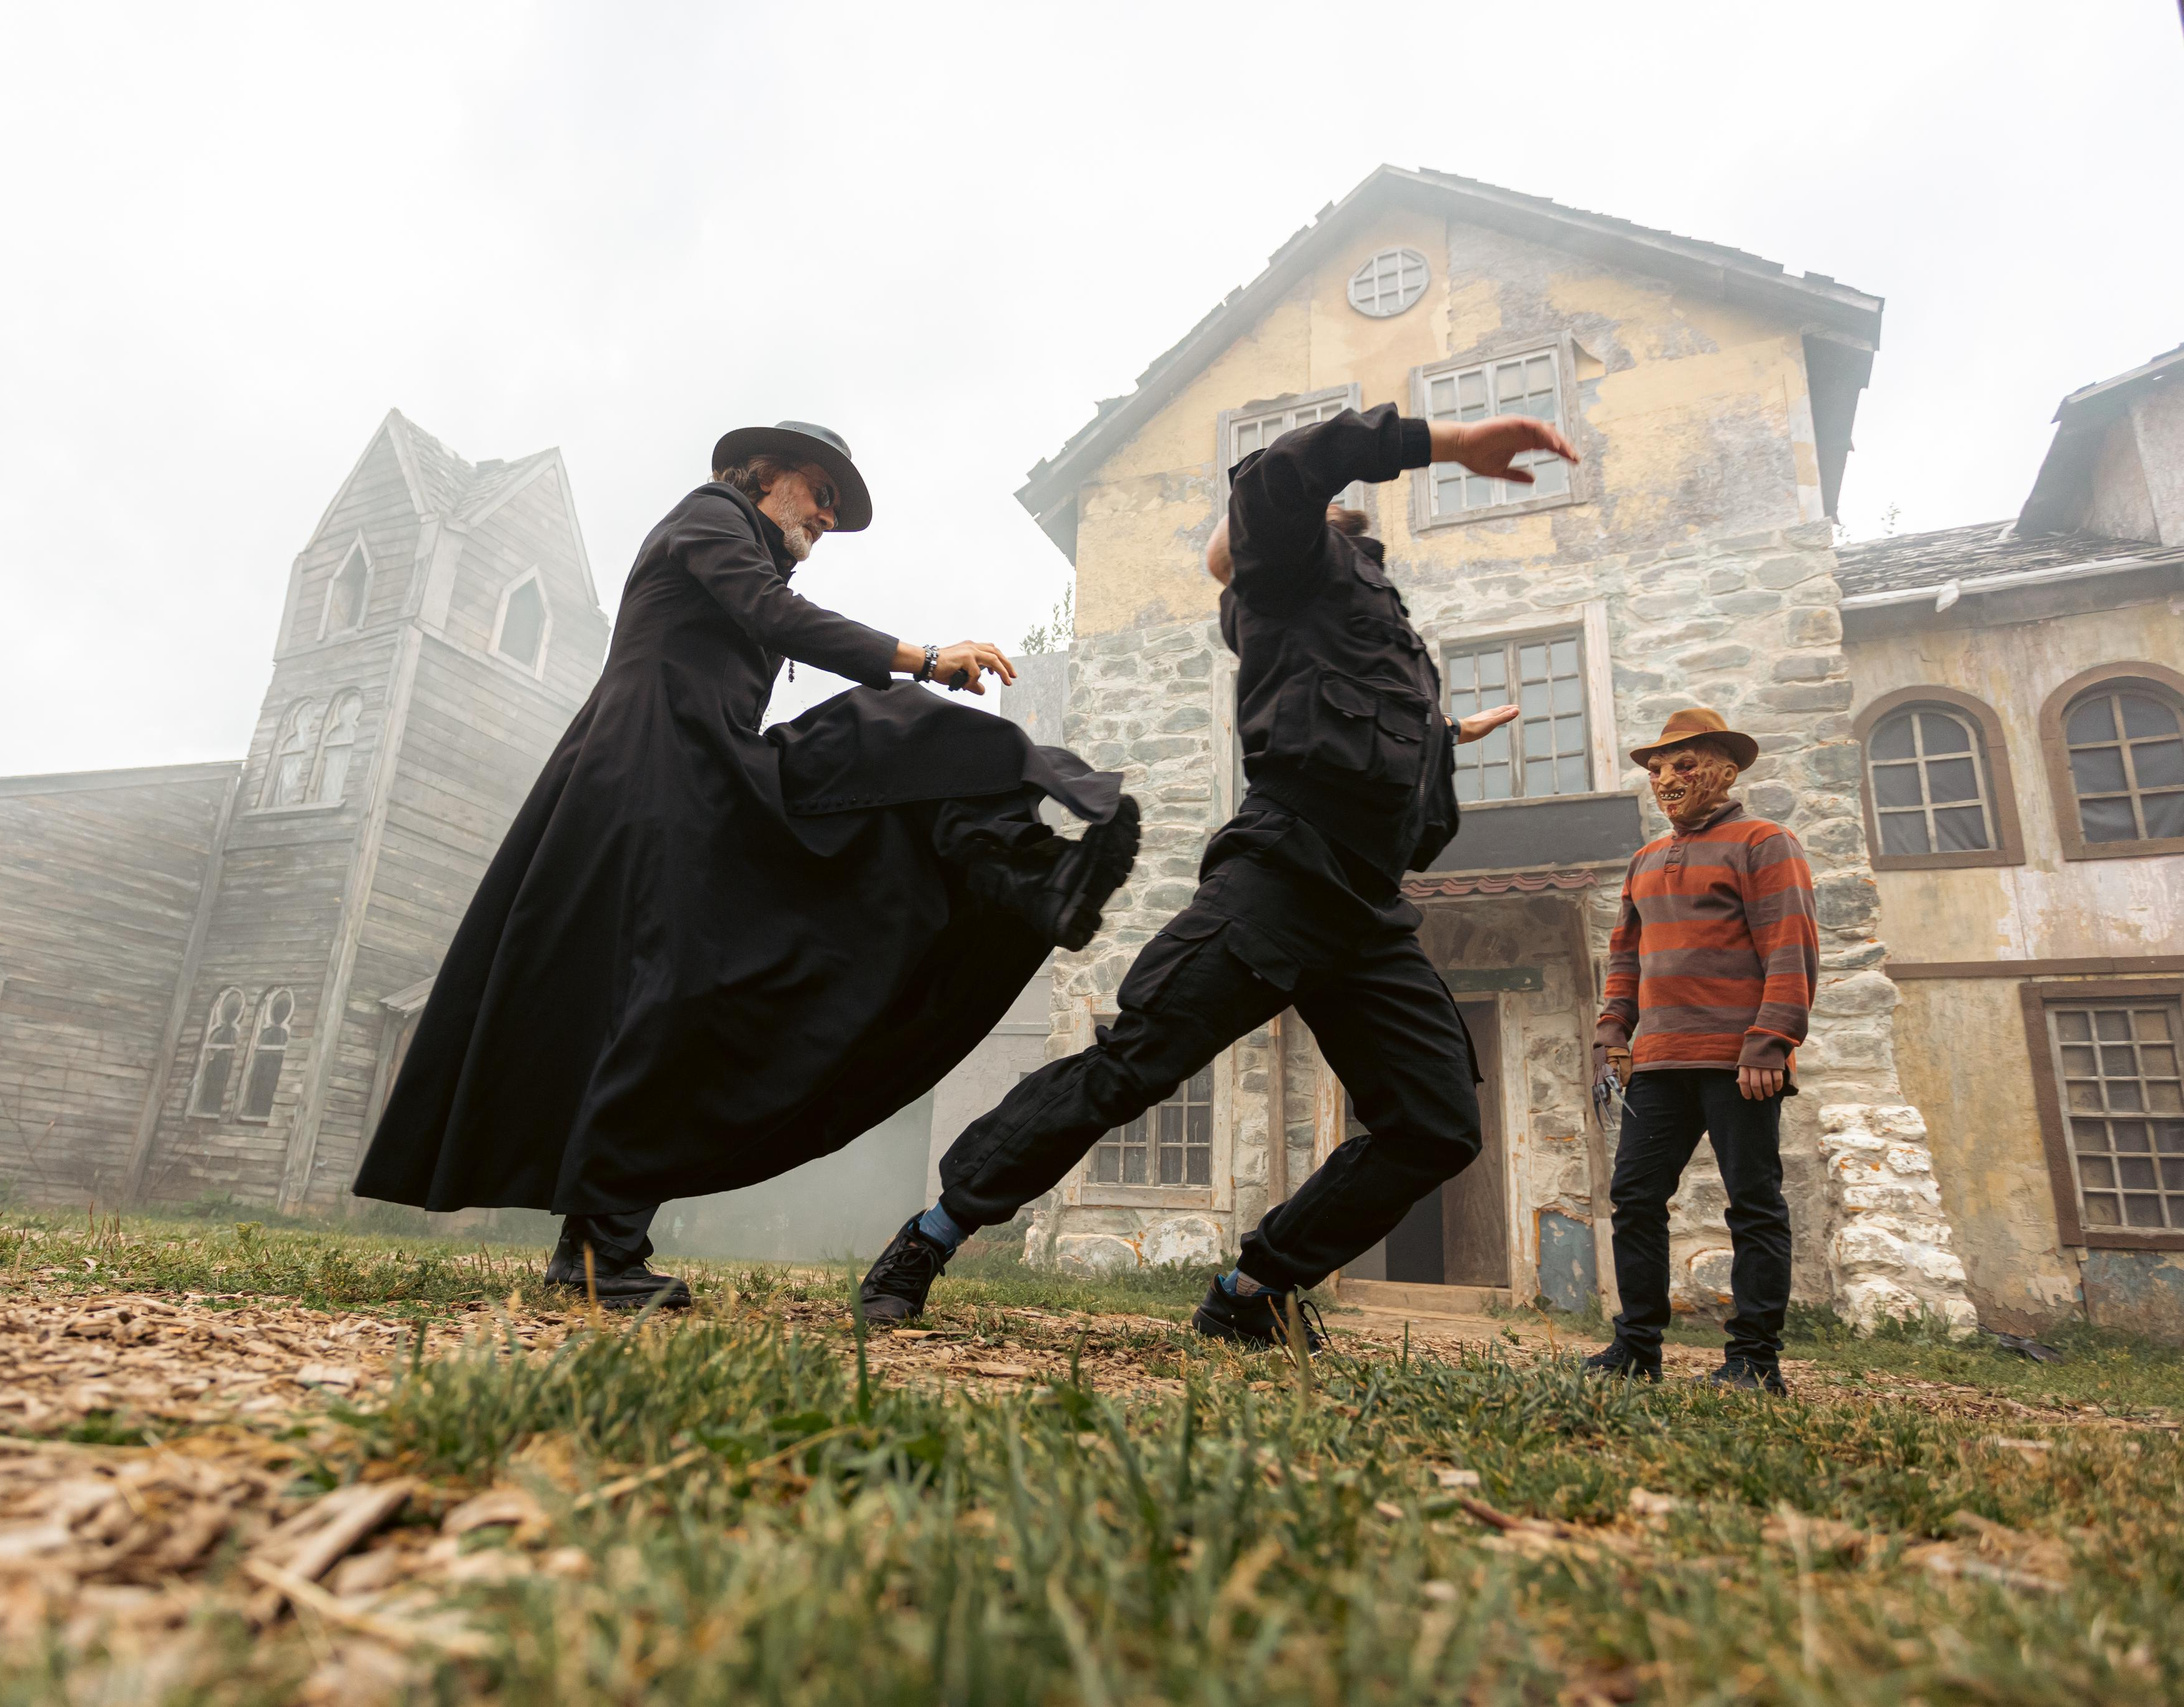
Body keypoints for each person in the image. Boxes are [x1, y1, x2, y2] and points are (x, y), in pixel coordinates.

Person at [353, 421, 1141, 1308]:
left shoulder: (751, 544)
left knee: (681, 974)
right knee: (666, 992)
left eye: (835, 507)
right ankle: (601, 1253)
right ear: (765, 474)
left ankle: (1007, 860)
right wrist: (920, 657)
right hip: (649, 771)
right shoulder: (710, 516)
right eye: (820, 492)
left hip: (711, 768)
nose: (826, 516)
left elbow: (771, 620)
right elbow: (773, 616)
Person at [856, 403, 1573, 1346]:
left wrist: (1445, 737)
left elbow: (1368, 732)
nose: (1222, 546)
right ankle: (930, 1235)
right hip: (1277, 882)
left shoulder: (1367, 610)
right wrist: (1443, 443)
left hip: (1364, 912)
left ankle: (1251, 1290)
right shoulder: (1287, 568)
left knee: (1436, 1122)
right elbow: (1278, 473)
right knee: (1134, 1064)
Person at [1585, 708, 1818, 1395]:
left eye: (1683, 765)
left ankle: (1754, 1359)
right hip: (1657, 1060)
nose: (1667, 780)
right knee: (1634, 1195)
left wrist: (1770, 1040)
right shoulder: (1645, 860)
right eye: (1657, 770)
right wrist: (1611, 1035)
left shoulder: (1765, 841)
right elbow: (1624, 956)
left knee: (1752, 1201)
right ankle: (1636, 1347)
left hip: (1740, 1061)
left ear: (1722, 768)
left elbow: (1790, 945)